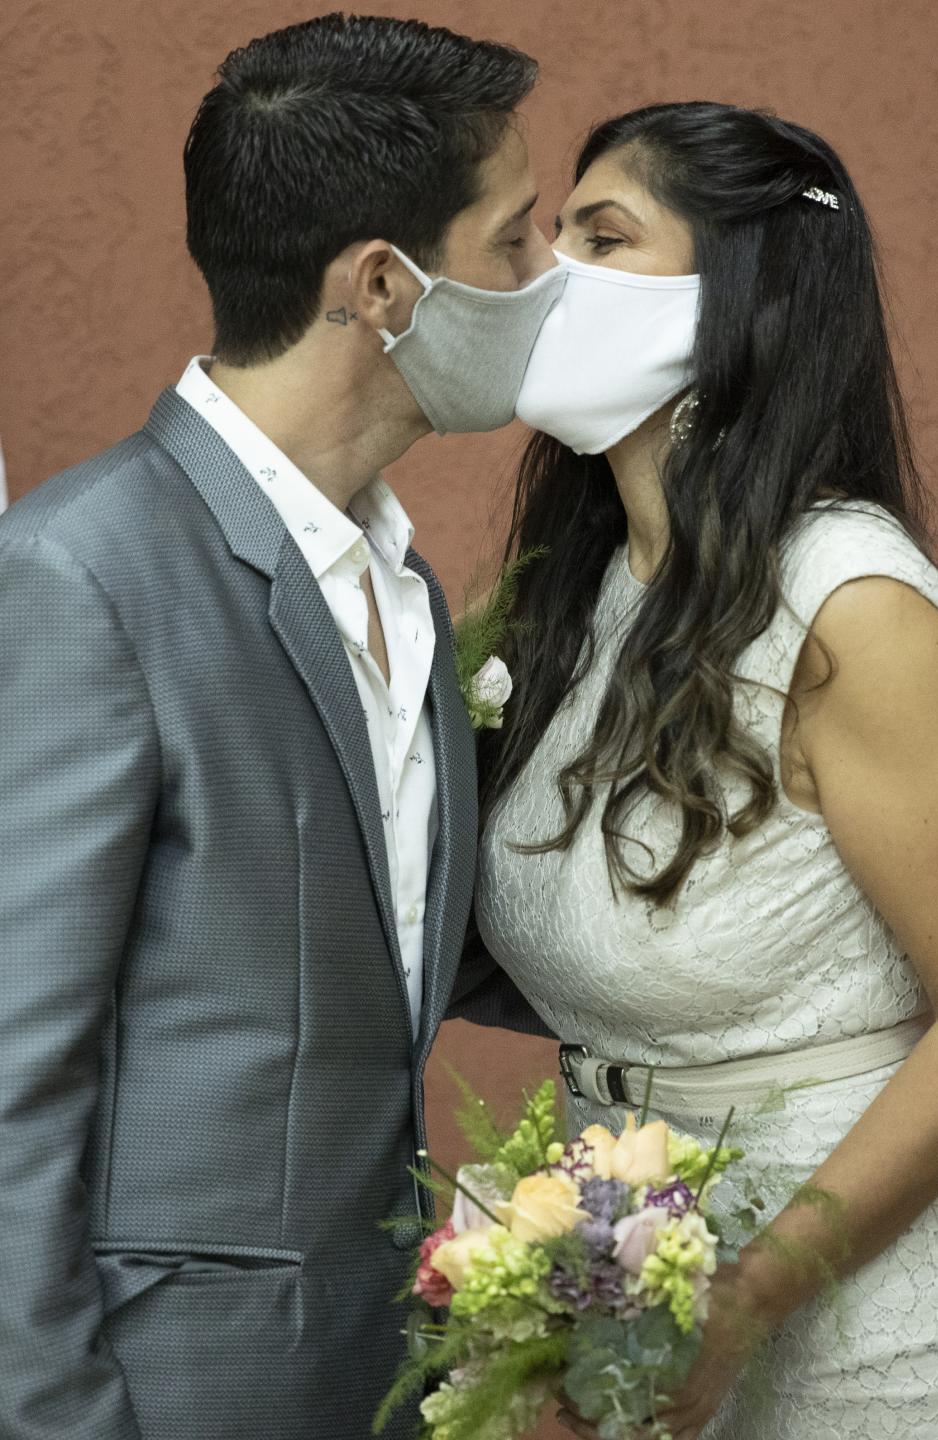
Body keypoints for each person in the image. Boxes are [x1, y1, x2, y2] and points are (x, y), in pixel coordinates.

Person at [0, 14, 559, 1440]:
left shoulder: (407, 584)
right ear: (383, 284)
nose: (542, 283)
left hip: (368, 1371)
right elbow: (14, 1067)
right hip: (163, 1386)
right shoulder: (84, 572)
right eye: (514, 242)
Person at [474, 102, 938, 1439]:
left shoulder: (847, 603)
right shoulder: (578, 600)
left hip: (863, 1339)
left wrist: (743, 1300)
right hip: (636, 1292)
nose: (542, 273)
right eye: (549, 231)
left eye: (599, 236)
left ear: (734, 296)